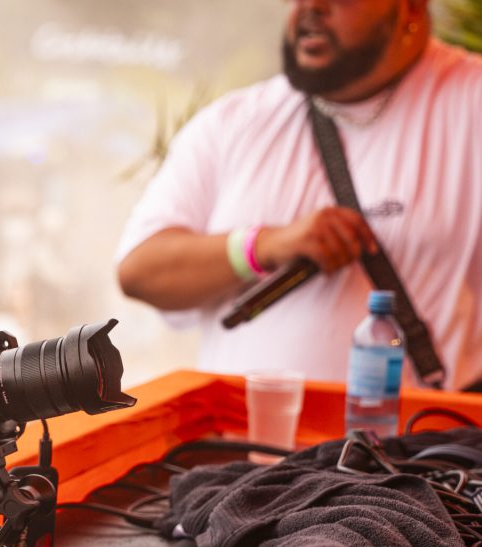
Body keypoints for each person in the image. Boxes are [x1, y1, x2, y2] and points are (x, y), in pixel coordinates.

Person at [116, 0, 482, 392]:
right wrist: (263, 246)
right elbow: (140, 270)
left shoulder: (470, 101)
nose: (311, 7)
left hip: (424, 430)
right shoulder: (233, 121)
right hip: (239, 430)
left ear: (410, 8)